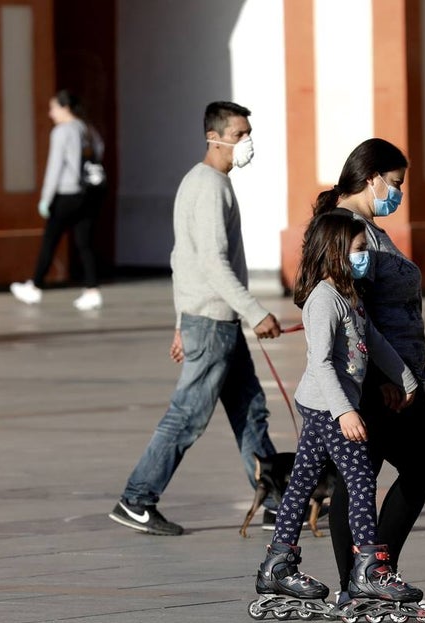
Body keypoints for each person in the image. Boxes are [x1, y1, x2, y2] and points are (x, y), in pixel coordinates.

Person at [108, 101, 283, 536]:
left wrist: (179, 322)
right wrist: (255, 312)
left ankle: (277, 502)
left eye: (248, 133)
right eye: (239, 134)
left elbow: (179, 260)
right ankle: (137, 498)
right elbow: (211, 263)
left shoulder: (206, 183)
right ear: (214, 136)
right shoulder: (208, 186)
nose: (247, 142)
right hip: (213, 322)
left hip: (210, 320)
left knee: (250, 409)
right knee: (187, 417)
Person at [254, 212, 423, 608]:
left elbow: (374, 340)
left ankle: (277, 564)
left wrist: (405, 378)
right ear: (335, 253)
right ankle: (367, 571)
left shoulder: (350, 293)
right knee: (362, 479)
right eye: (360, 250)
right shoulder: (323, 300)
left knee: (300, 484)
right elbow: (322, 363)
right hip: (327, 406)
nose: (366, 256)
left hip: (324, 404)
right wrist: (345, 412)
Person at [311, 138, 425, 601]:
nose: (399, 193)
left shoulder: (363, 225)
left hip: (395, 373)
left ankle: (363, 575)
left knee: (364, 473)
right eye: (396, 183)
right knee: (416, 466)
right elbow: (355, 311)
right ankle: (370, 572)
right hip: (381, 381)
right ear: (372, 179)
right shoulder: (349, 230)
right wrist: (388, 376)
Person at [10, 89, 106, 311]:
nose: (50, 113)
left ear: (65, 108)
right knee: (84, 242)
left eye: (53, 108)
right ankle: (92, 290)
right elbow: (99, 152)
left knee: (50, 240)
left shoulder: (62, 132)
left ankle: (35, 287)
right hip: (89, 191)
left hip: (67, 192)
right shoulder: (88, 129)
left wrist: (46, 198)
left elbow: (55, 167)